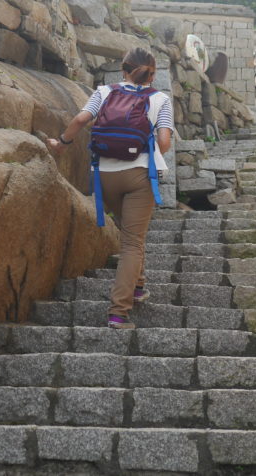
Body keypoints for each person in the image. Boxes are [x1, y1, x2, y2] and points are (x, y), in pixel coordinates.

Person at [47, 48, 174, 329]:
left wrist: (61, 143)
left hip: (104, 175)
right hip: (139, 176)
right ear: (152, 75)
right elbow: (164, 142)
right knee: (132, 242)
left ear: (123, 71)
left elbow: (80, 120)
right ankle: (118, 312)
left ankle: (137, 285)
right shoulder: (160, 99)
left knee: (129, 233)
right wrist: (147, 151)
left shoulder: (104, 92)